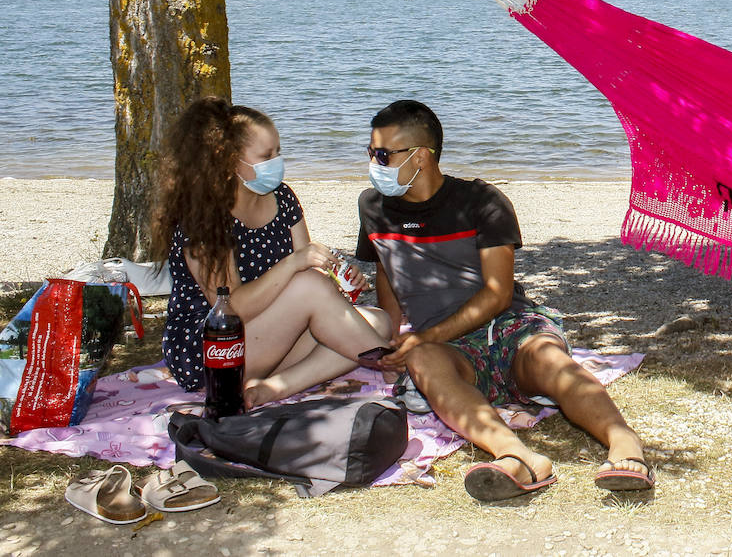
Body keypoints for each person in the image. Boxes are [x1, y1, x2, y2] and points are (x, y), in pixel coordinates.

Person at [354, 100, 654, 501]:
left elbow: (497, 294)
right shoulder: (372, 208)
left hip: (509, 327)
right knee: (422, 359)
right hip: (448, 350)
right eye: (371, 152)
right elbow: (386, 274)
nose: (374, 163)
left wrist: (424, 337)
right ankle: (517, 457)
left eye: (382, 154)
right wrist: (395, 339)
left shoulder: (481, 202)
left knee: (548, 358)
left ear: (420, 156)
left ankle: (625, 445)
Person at [150, 97, 393, 406]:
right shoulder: (204, 218)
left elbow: (311, 272)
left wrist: (339, 279)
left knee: (378, 322)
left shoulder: (282, 197)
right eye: (266, 155)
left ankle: (273, 388)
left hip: (270, 336)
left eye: (278, 152)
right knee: (317, 294)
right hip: (213, 351)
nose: (276, 162)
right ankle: (396, 369)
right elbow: (230, 307)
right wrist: (295, 265)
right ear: (228, 160)